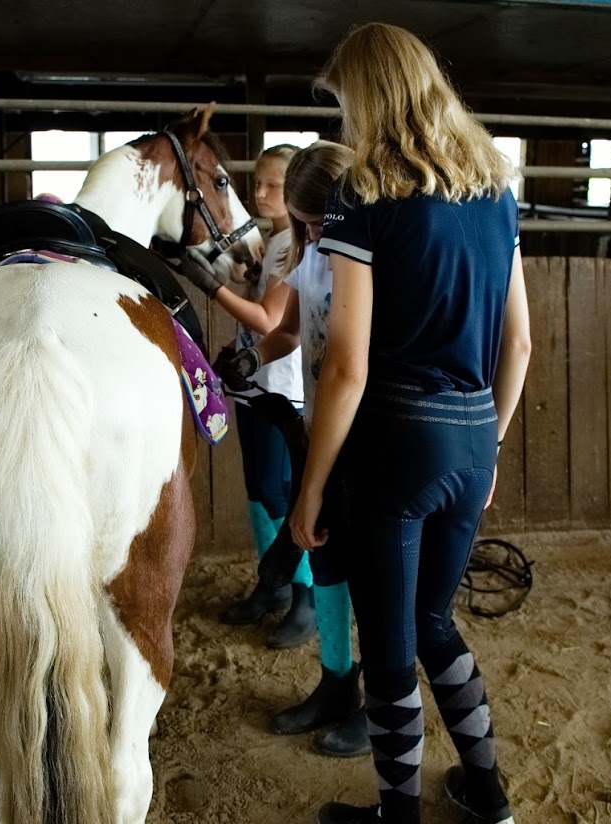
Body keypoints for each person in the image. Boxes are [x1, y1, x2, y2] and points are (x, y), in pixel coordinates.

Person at [289, 24, 532, 824]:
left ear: (368, 96)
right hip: (470, 434)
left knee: (390, 644)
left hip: (394, 441)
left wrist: (311, 487)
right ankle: (485, 789)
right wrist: (488, 442)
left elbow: (346, 364)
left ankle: (398, 817)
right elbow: (519, 339)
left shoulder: (361, 190)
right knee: (435, 621)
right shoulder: (495, 186)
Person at [221, 140, 369, 758]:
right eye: (305, 222)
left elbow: (349, 366)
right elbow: (285, 331)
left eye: (314, 218)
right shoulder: (312, 256)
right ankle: (337, 684)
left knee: (371, 575)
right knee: (328, 562)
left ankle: (379, 704)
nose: (307, 231)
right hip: (319, 426)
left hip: (360, 432)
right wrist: (253, 356)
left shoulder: (361, 261)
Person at [176, 144, 316, 649]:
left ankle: (305, 595)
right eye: (255, 182)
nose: (259, 193)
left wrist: (208, 285)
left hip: (282, 385)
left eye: (272, 185)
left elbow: (270, 322)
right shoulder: (273, 240)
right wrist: (244, 280)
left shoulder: (294, 246)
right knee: (258, 487)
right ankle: (272, 584)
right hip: (255, 379)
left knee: (276, 489)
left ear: (295, 189)